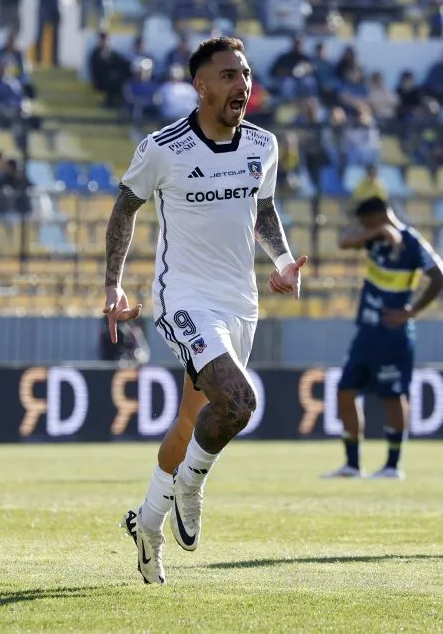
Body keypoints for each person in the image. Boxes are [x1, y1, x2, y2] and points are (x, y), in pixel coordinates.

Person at [103, 36, 307, 585]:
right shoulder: (163, 147)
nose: (241, 84)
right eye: (227, 76)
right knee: (239, 401)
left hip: (241, 302)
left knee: (195, 421)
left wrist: (284, 260)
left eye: (245, 74)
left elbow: (262, 208)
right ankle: (191, 486)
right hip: (183, 298)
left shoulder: (263, 145)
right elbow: (125, 209)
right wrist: (114, 286)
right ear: (200, 86)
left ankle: (147, 524)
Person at [321, 196, 443, 481]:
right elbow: (345, 241)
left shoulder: (412, 242)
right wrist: (377, 232)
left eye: (366, 222)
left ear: (379, 215)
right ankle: (352, 465)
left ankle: (393, 466)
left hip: (393, 334)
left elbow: (441, 277)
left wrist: (411, 311)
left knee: (392, 396)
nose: (361, 227)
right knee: (345, 391)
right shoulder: (375, 238)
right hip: (365, 332)